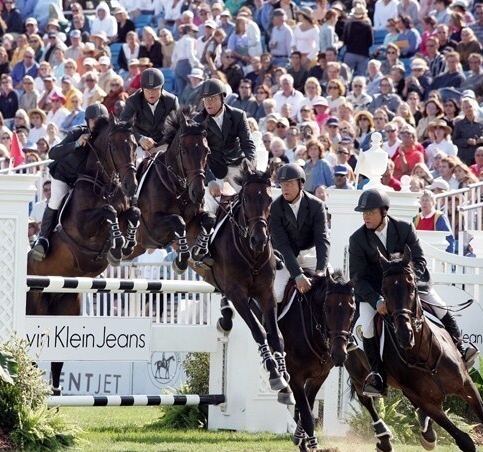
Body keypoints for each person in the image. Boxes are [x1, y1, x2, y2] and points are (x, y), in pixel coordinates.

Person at [349, 189, 478, 397]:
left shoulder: (403, 228)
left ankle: (461, 348)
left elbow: (419, 261)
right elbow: (357, 277)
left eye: (370, 212)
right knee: (367, 326)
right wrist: (376, 300)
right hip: (375, 293)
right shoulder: (357, 239)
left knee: (440, 307)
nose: (366, 217)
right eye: (363, 213)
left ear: (383, 211)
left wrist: (408, 283)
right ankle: (378, 375)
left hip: (408, 287)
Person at [31, 104, 110, 260]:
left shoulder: (106, 139)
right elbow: (53, 153)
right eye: (94, 121)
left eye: (101, 121)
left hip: (84, 181)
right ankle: (43, 239)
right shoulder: (78, 133)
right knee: (56, 199)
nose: (97, 124)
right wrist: (76, 144)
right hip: (63, 176)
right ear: (88, 121)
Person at [191, 78, 256, 261]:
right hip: (212, 168)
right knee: (208, 202)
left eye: (212, 98)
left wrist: (250, 167)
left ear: (222, 98)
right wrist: (210, 179)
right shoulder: (197, 121)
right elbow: (198, 156)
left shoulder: (238, 115)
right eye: (205, 99)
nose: (208, 103)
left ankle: (263, 240)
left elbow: (248, 145)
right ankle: (203, 244)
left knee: (253, 198)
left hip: (237, 165)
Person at [270, 164, 330, 303]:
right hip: (285, 257)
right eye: (283, 184)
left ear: (301, 184)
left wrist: (321, 270)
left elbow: (322, 239)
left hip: (311, 253)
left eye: (289, 184)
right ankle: (269, 325)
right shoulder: (275, 207)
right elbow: (283, 245)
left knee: (331, 286)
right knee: (276, 295)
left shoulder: (317, 205)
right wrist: (297, 275)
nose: (285, 188)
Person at [119, 68, 179, 157]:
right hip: (139, 145)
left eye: (155, 89)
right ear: (142, 89)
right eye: (147, 90)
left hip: (163, 144)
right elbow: (122, 124)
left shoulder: (171, 101)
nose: (151, 93)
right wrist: (139, 138)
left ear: (162, 88)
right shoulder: (133, 100)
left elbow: (178, 126)